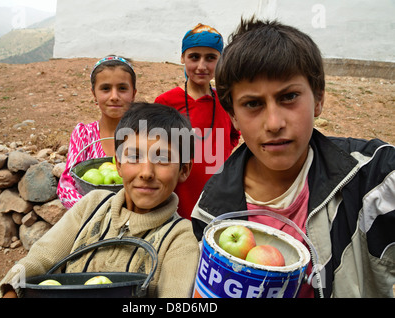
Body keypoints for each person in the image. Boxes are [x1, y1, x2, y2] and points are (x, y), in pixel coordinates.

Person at [191, 17, 395, 298]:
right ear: (233, 117)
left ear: (319, 98)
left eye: (288, 97)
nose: (274, 123)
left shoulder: (370, 178)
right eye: (253, 104)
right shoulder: (212, 212)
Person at [0, 102, 200, 298]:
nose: (146, 172)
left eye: (162, 159)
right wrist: (11, 290)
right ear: (118, 165)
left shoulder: (180, 239)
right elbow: (42, 257)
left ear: (183, 170)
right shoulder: (93, 204)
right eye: (134, 157)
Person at [155, 23, 241, 220]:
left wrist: (219, 153)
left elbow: (234, 134)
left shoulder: (226, 102)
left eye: (210, 58)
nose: (202, 66)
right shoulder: (166, 102)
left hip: (215, 196)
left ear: (220, 61)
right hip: (176, 198)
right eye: (194, 57)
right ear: (183, 58)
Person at [57, 55, 137, 209]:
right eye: (105, 89)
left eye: (122, 88)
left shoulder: (145, 135)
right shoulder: (84, 135)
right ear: (94, 94)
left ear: (133, 93)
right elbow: (66, 186)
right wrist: (97, 213)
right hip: (92, 222)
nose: (114, 97)